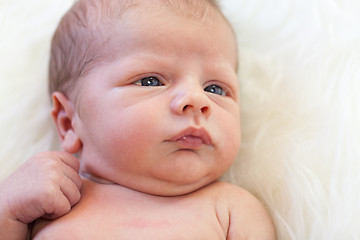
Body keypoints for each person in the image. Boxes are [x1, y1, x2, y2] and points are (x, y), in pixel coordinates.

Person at [0, 0, 276, 239]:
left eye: (215, 89)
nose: (196, 99)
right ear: (68, 122)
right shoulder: (47, 201)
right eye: (150, 81)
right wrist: (7, 208)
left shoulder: (231, 210)